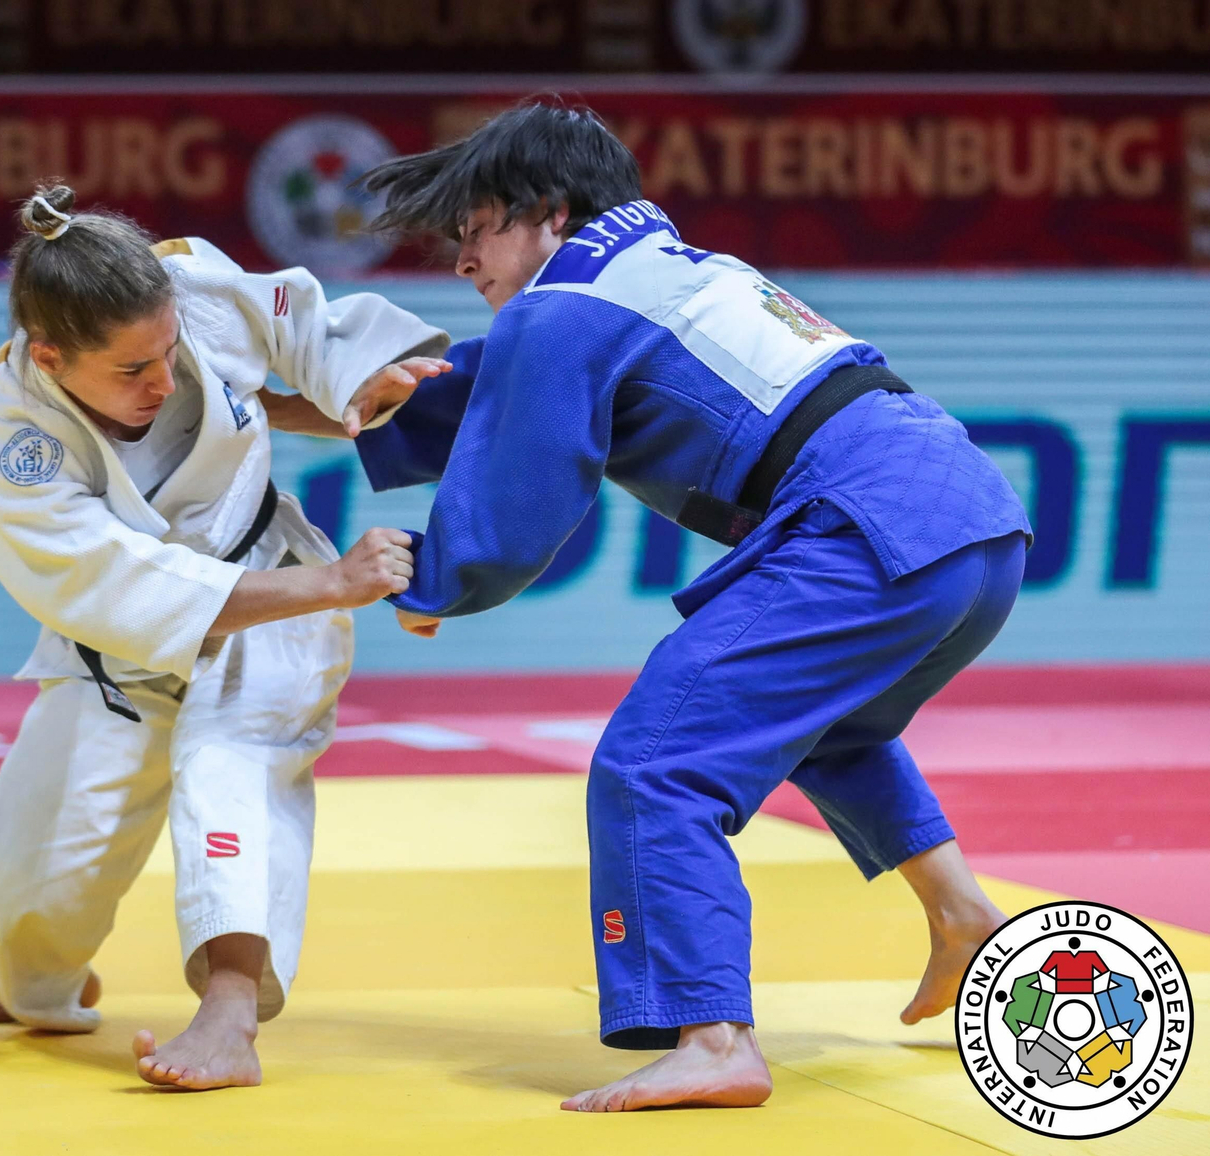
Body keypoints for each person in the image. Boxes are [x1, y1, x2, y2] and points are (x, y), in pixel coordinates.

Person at [270, 102, 1032, 1112]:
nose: (462, 260)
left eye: (477, 228)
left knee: (657, 760)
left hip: (864, 527)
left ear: (550, 210)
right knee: (828, 728)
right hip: (973, 522)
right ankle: (963, 914)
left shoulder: (567, 308)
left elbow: (518, 505)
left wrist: (434, 581)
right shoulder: (657, 273)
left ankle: (713, 1038)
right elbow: (444, 400)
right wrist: (241, 405)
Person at [0, 183, 452, 1093]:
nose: (163, 381)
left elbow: (301, 326)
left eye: (168, 351)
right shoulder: (6, 431)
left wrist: (358, 384)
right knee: (26, 881)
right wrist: (336, 582)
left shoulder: (190, 282)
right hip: (121, 645)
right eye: (132, 369)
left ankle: (230, 1013)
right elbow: (114, 585)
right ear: (49, 356)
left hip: (272, 592)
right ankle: (26, 983)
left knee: (232, 770)